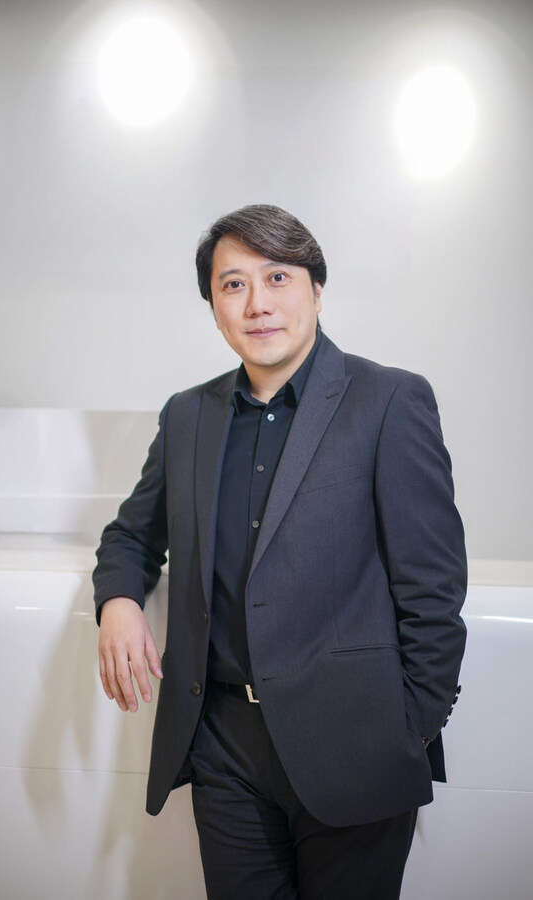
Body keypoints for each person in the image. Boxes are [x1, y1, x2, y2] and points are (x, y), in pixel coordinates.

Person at [93, 204, 467, 900]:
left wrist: (409, 731)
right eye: (233, 285)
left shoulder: (389, 400)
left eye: (277, 277)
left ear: (316, 289)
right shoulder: (188, 415)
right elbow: (132, 535)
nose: (257, 303)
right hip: (224, 745)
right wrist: (118, 601)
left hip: (355, 741)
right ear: (214, 308)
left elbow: (434, 590)